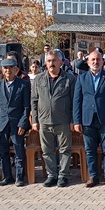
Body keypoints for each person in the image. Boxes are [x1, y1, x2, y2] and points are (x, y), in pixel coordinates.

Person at [71, 50, 105, 188]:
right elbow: (77, 101)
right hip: (87, 120)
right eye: (92, 60)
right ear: (88, 62)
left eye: (98, 59)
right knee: (90, 150)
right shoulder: (81, 78)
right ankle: (93, 176)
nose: (95, 62)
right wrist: (77, 121)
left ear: (103, 61)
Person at [31, 49, 77, 187]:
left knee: (65, 150)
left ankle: (63, 176)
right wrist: (34, 120)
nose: (52, 64)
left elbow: (75, 100)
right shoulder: (39, 79)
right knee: (47, 150)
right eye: (49, 61)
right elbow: (34, 100)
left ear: (61, 62)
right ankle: (52, 175)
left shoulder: (69, 78)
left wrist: (73, 120)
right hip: (44, 121)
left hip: (63, 120)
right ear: (45, 63)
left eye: (54, 60)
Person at [0, 59, 30, 187]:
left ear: (16, 69)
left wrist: (23, 123)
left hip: (17, 124)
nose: (8, 70)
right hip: (2, 123)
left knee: (19, 150)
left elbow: (26, 107)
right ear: (2, 70)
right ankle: (7, 176)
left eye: (10, 67)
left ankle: (19, 177)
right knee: (3, 151)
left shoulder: (23, 85)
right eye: (5, 68)